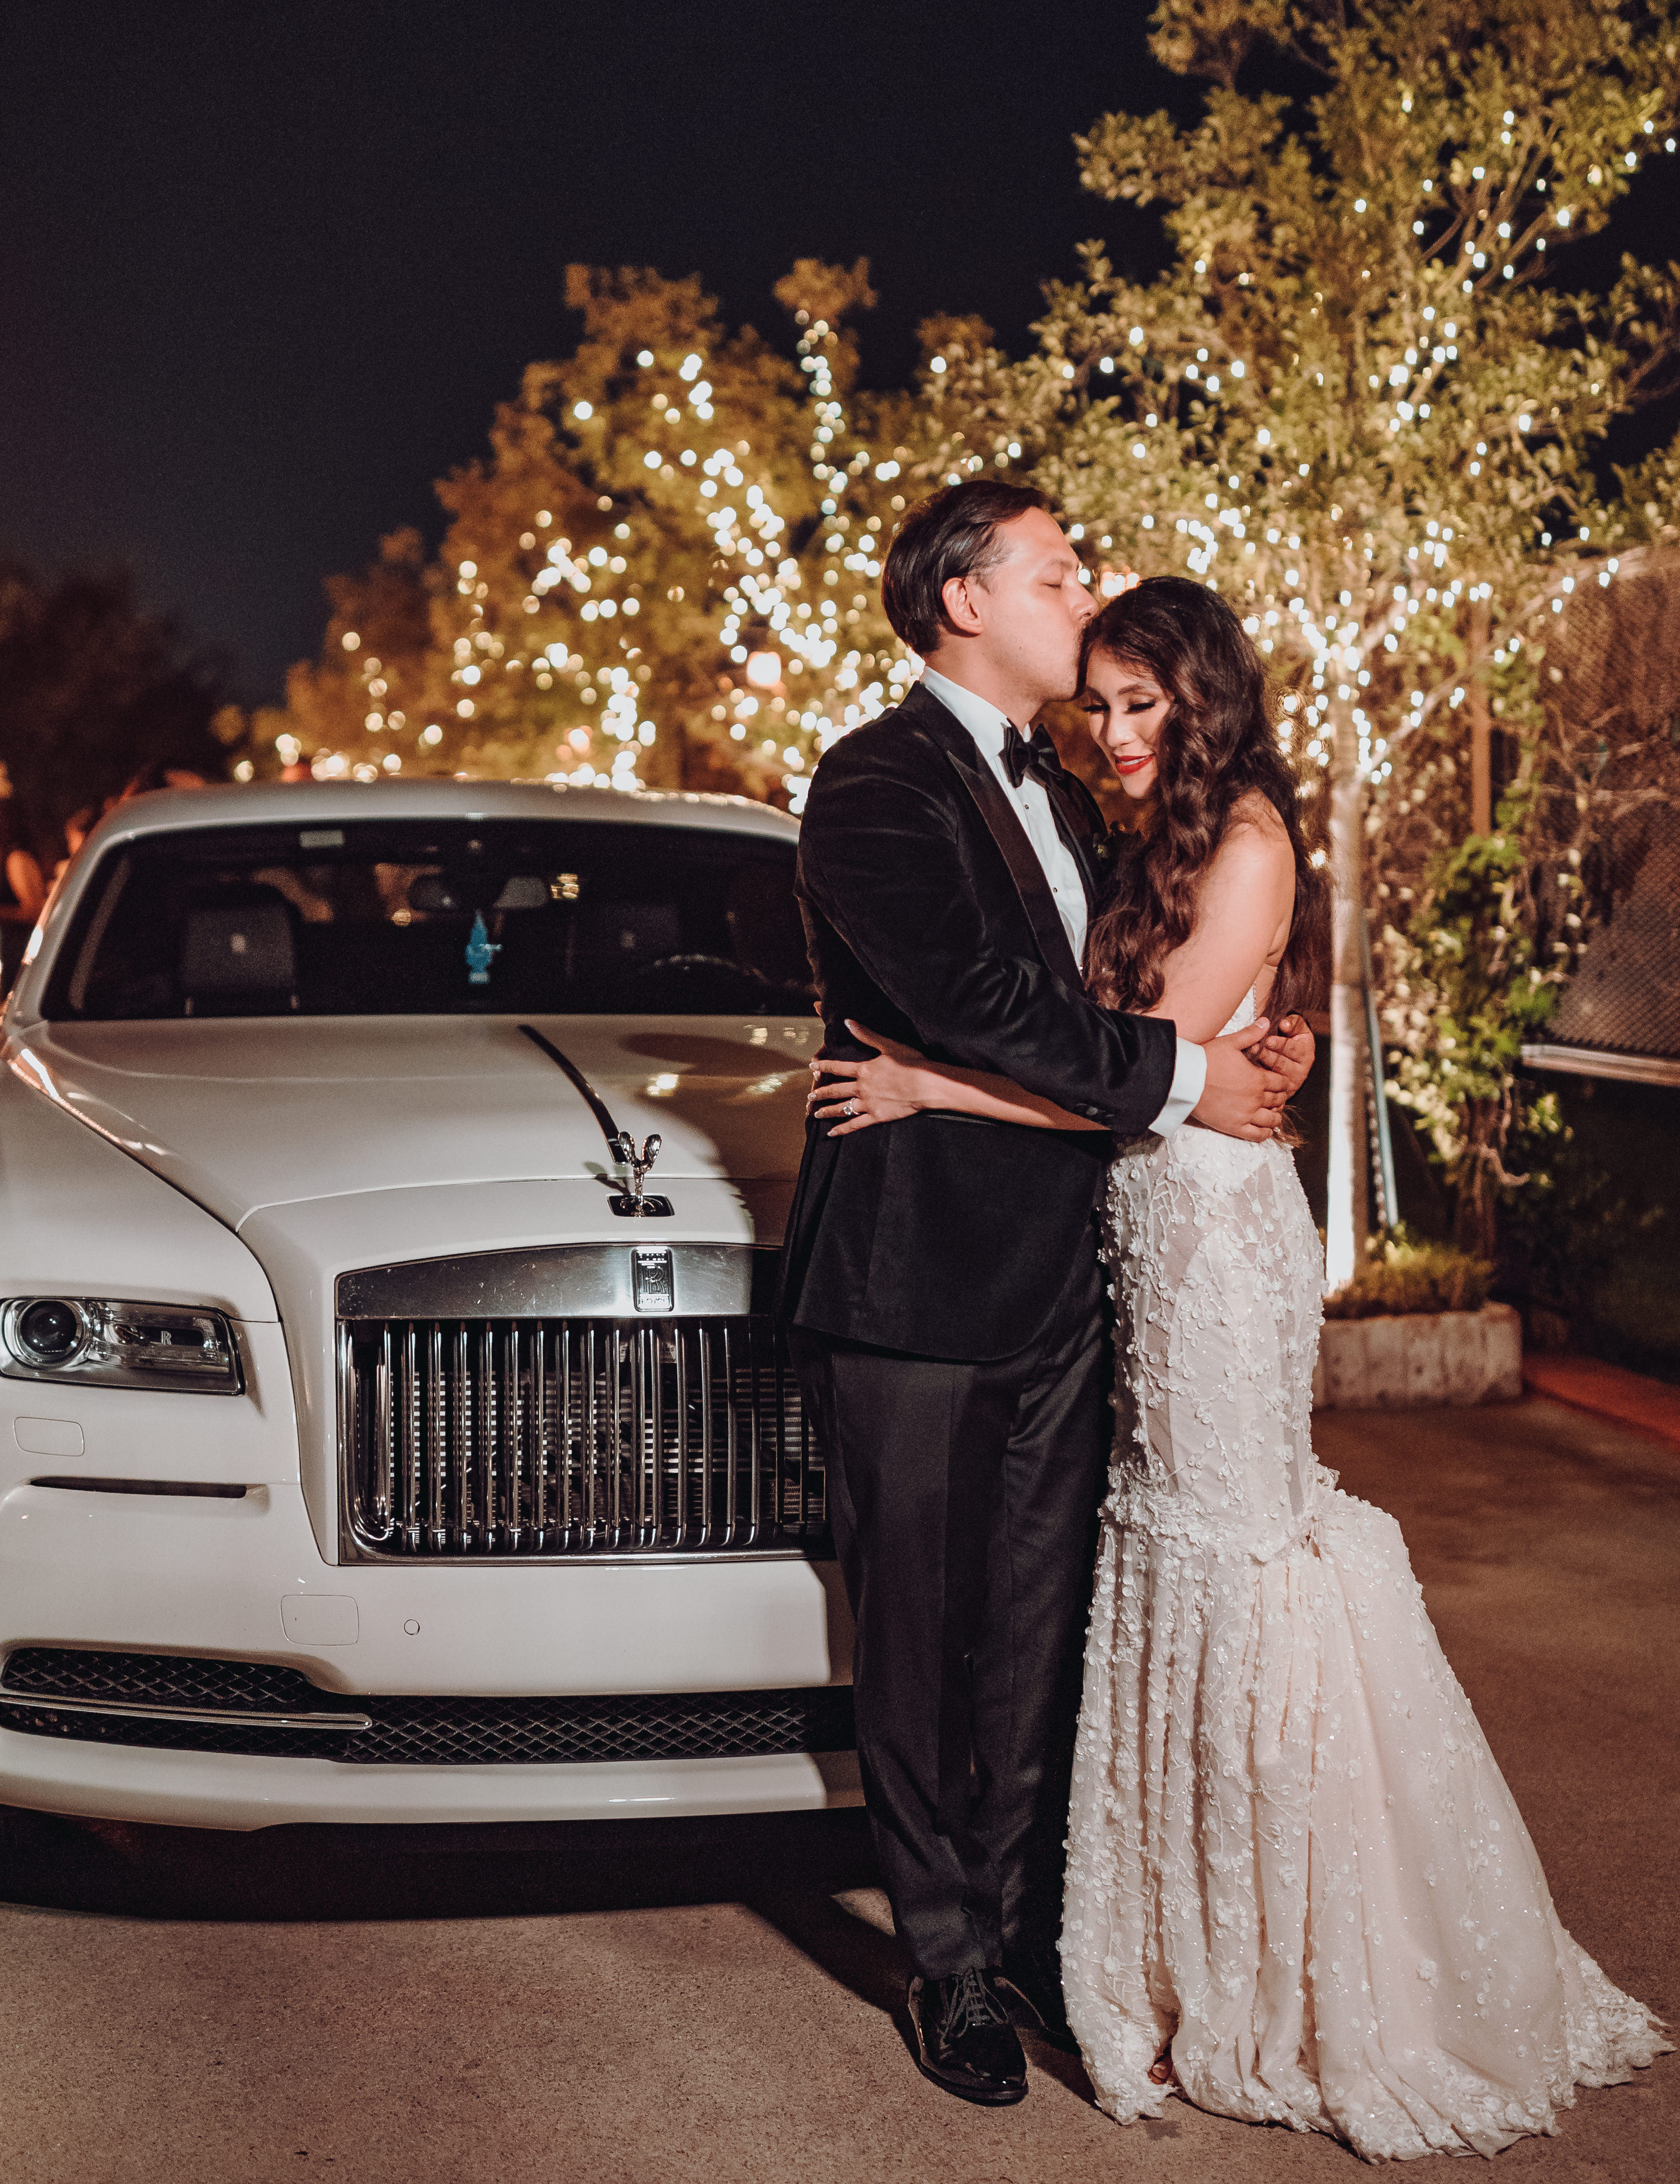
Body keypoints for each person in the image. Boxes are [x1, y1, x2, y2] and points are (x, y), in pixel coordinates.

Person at [810, 576, 1670, 2159]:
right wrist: (1197, 1074)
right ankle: (1103, 1954)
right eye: (1105, 701)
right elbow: (1115, 1045)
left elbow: (1130, 1075)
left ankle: (1294, 1967)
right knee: (1132, 1588)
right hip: (1116, 1241)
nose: (1119, 728)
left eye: (1148, 703)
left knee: (1226, 1573)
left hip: (1203, 1248)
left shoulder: (1242, 832)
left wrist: (943, 1085)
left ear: (1205, 700)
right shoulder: (1017, 805)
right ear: (967, 595)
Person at [778, 481, 1318, 2108]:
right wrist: (1187, 1080)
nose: (1086, 595)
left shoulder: (1076, 797)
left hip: (1077, 1281)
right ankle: (942, 1965)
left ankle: (1021, 1939)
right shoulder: (874, 787)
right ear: (961, 600)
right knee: (927, 1641)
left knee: (1037, 1638)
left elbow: (1127, 978)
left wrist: (1230, 1055)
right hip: (916, 1279)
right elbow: (991, 1007)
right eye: (1058, 571)